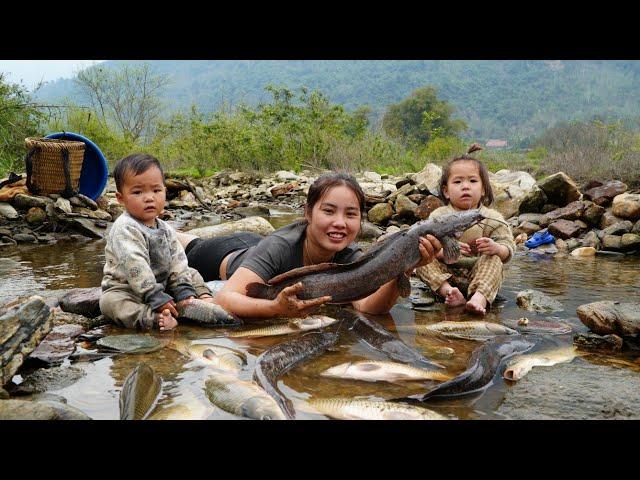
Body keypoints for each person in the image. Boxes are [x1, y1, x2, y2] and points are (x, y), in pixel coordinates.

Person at [178, 172, 442, 319]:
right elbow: (225, 298)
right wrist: (275, 309)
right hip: (228, 256)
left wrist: (404, 268)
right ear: (308, 213)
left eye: (350, 215)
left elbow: (368, 307)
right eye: (329, 211)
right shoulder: (280, 245)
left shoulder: (351, 256)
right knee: (186, 244)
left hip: (260, 248)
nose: (340, 223)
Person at [99, 153, 213, 331]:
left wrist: (184, 290)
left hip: (162, 284)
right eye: (138, 192)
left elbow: (177, 259)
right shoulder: (124, 228)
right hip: (128, 289)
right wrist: (155, 297)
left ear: (165, 192)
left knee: (190, 271)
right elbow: (134, 263)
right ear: (121, 198)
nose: (149, 197)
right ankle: (153, 318)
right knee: (109, 303)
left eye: (156, 190)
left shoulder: (165, 228)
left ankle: (202, 299)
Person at [415, 144, 516, 315]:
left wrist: (497, 248)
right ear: (446, 191)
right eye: (458, 181)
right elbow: (427, 245)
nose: (465, 186)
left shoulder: (492, 217)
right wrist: (442, 252)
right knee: (422, 261)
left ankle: (479, 298)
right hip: (446, 273)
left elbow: (509, 248)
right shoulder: (439, 216)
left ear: (483, 189)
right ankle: (449, 293)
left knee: (495, 260)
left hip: (477, 272)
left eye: (473, 181)